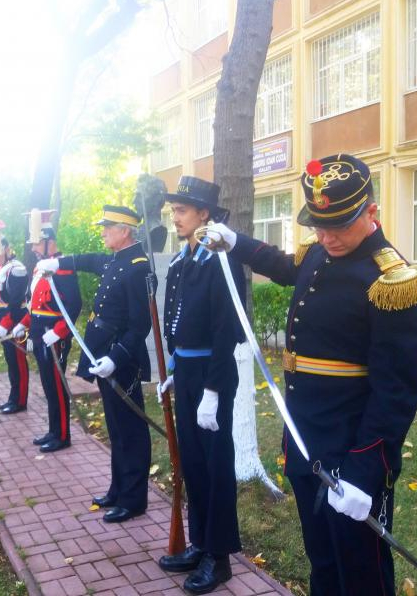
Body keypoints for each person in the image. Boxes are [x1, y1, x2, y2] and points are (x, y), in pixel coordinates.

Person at [208, 153, 417, 595]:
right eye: (318, 225)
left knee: (362, 570)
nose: (326, 236)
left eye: (339, 225)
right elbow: (285, 265)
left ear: (371, 211)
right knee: (323, 560)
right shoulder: (321, 254)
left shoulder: (392, 281)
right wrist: (235, 241)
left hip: (351, 451)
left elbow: (396, 394)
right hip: (304, 438)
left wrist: (365, 470)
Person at [155, 177, 245, 595]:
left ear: (204, 215)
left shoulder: (219, 260)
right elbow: (176, 322)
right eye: (174, 211)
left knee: (215, 466)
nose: (175, 218)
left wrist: (211, 390)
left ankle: (219, 555)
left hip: (214, 373)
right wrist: (174, 366)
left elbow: (227, 332)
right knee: (192, 462)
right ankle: (200, 542)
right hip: (189, 371)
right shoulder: (181, 261)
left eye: (182, 211)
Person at [37, 205, 152, 523]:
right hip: (104, 354)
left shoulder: (137, 267)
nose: (102, 232)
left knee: (130, 430)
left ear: (125, 231)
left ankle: (134, 499)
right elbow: (86, 260)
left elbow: (140, 326)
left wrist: (116, 359)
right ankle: (118, 489)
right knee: (115, 427)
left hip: (121, 360)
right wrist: (55, 263)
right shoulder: (117, 260)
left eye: (108, 227)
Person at [12, 209, 81, 453]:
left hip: (55, 336)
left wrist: (60, 332)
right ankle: (53, 430)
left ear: (50, 242)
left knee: (57, 384)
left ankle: (63, 435)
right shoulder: (39, 269)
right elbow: (36, 306)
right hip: (41, 333)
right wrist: (25, 324)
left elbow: (74, 306)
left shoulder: (62, 268)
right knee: (47, 384)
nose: (33, 248)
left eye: (37, 243)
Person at [0, 223, 30, 414]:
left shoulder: (16, 268)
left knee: (18, 362)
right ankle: (13, 397)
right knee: (11, 362)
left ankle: (20, 401)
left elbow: (17, 301)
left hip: (15, 320)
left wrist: (6, 323)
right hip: (4, 320)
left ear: (7, 249)